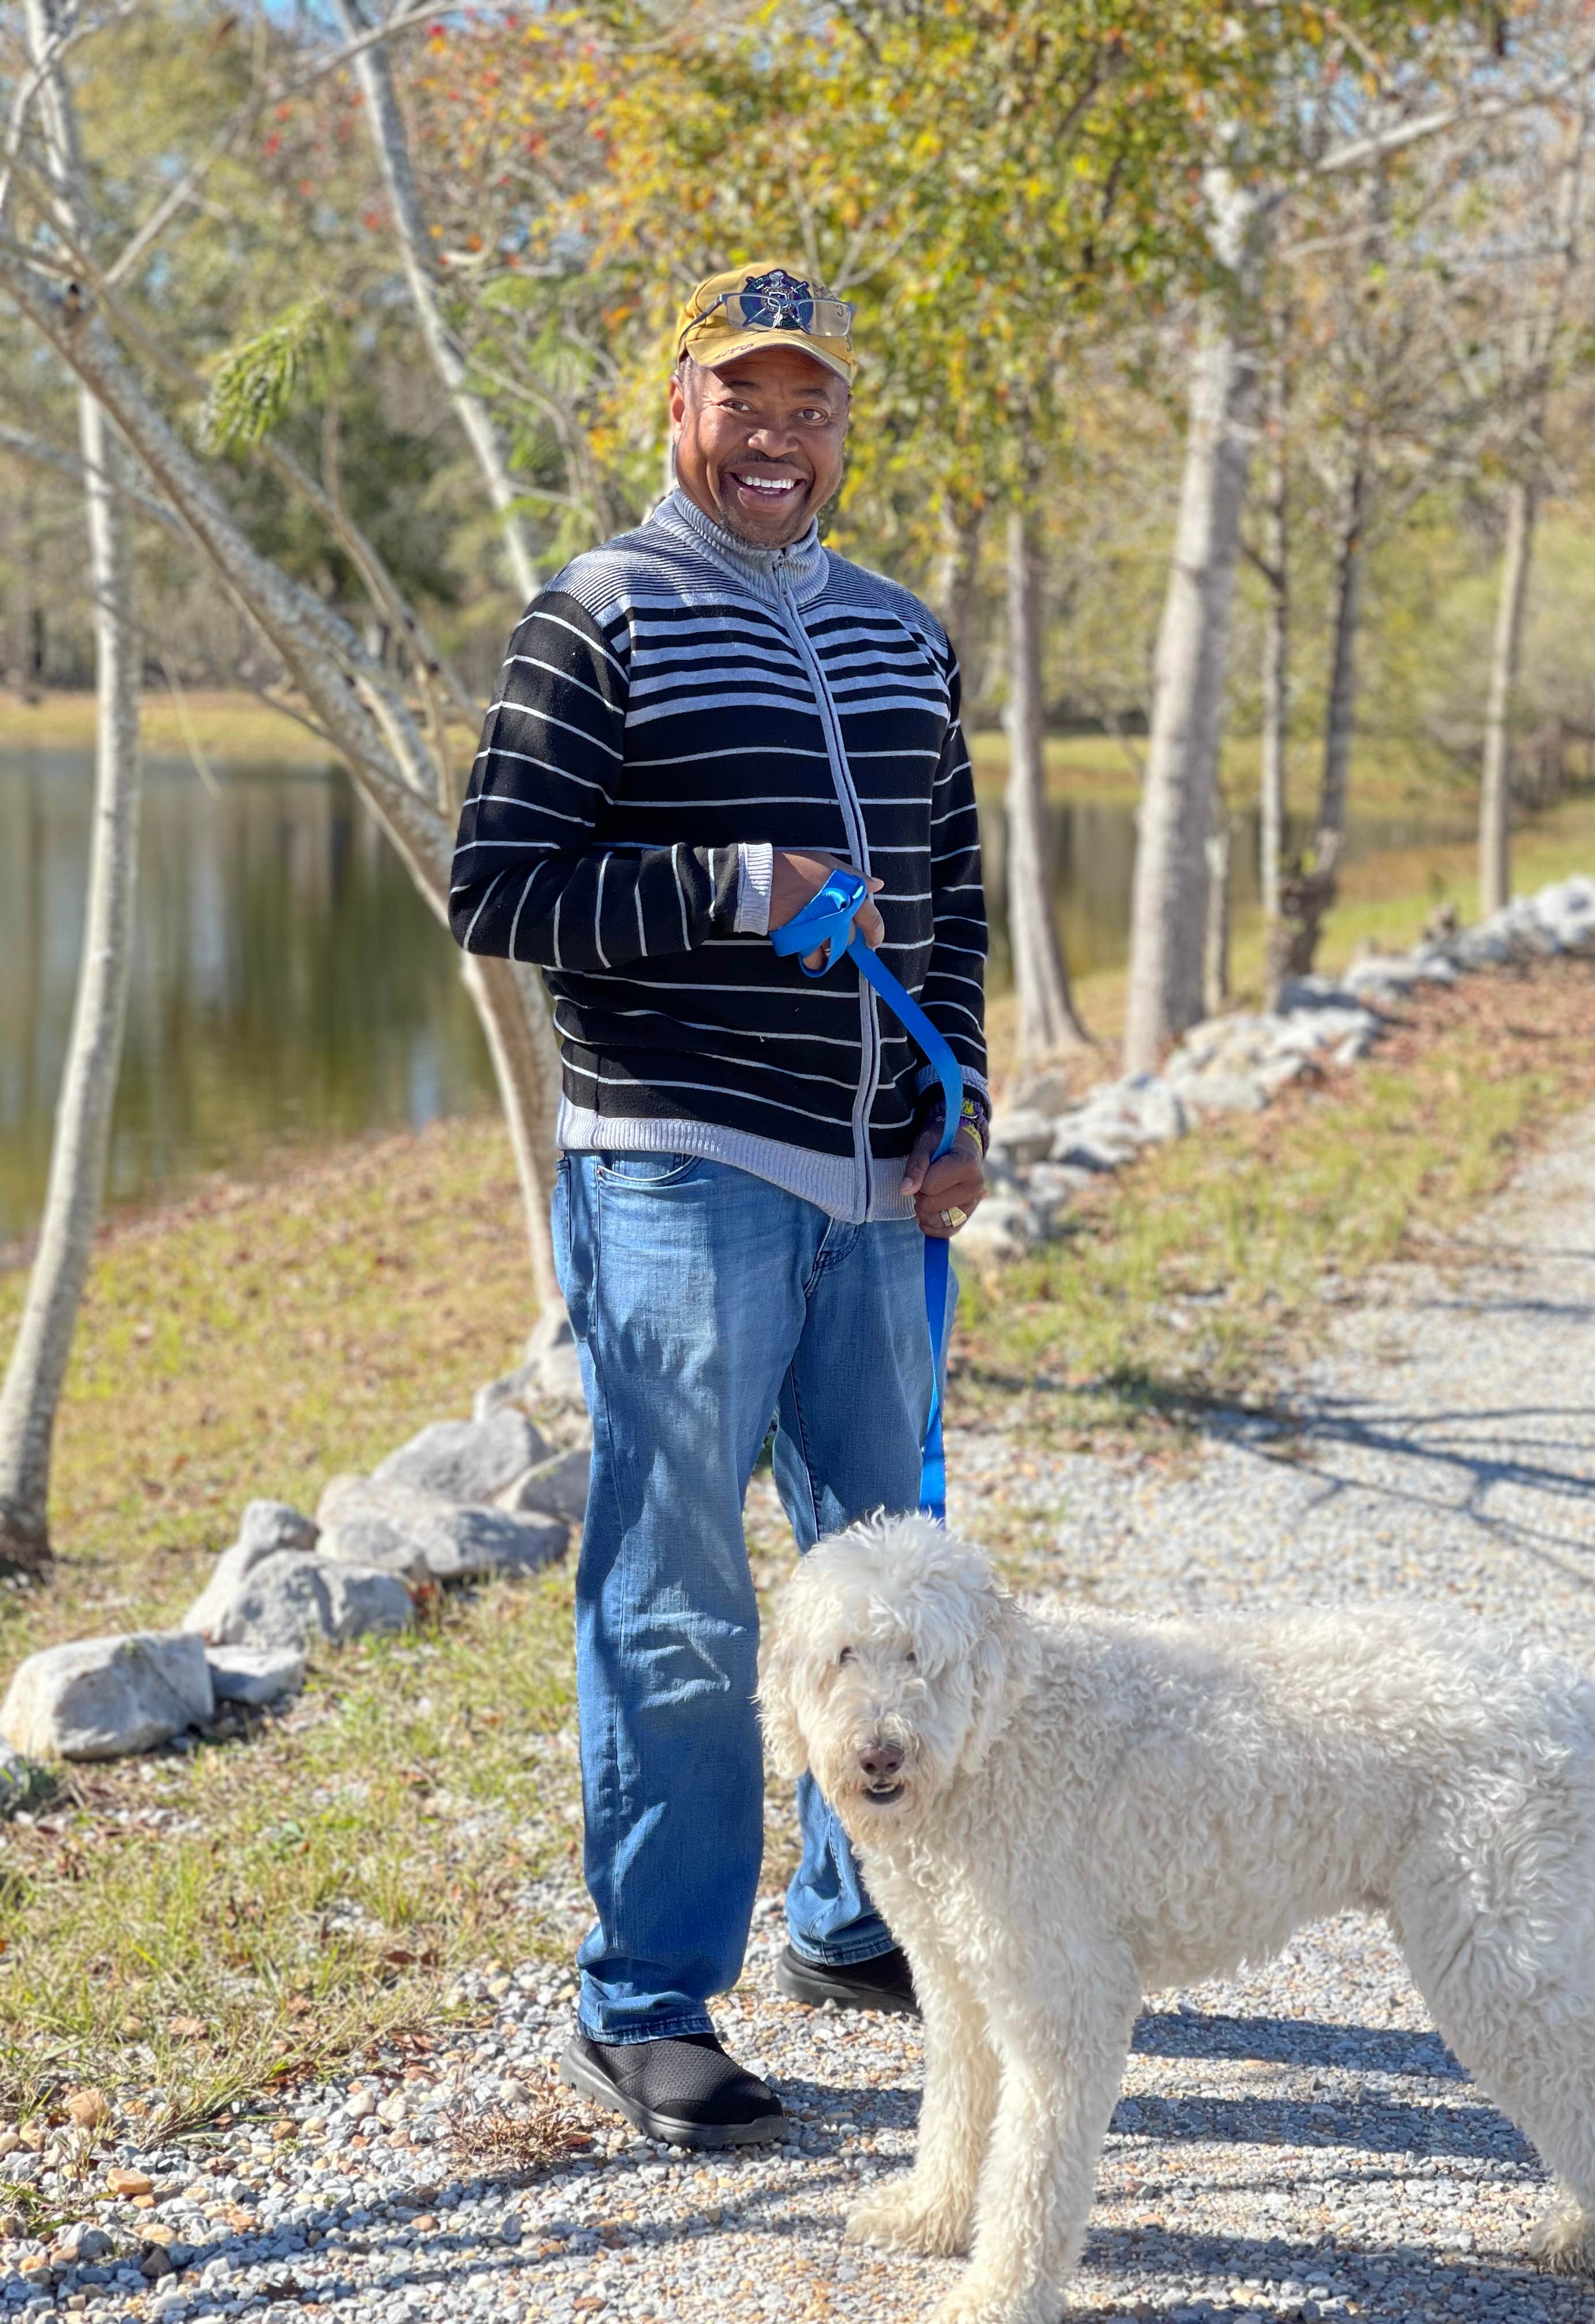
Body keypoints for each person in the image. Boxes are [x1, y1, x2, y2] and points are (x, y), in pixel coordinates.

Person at [447, 265, 991, 2148]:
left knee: (895, 1583)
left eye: (812, 406)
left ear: (845, 430)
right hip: (682, 1167)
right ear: (676, 406)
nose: (780, 437)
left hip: (878, 1197)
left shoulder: (906, 638)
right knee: (676, 1595)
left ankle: (855, 1923)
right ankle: (648, 2001)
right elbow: (498, 891)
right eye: (742, 401)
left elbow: (951, 906)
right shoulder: (598, 615)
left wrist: (964, 1099)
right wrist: (729, 881)